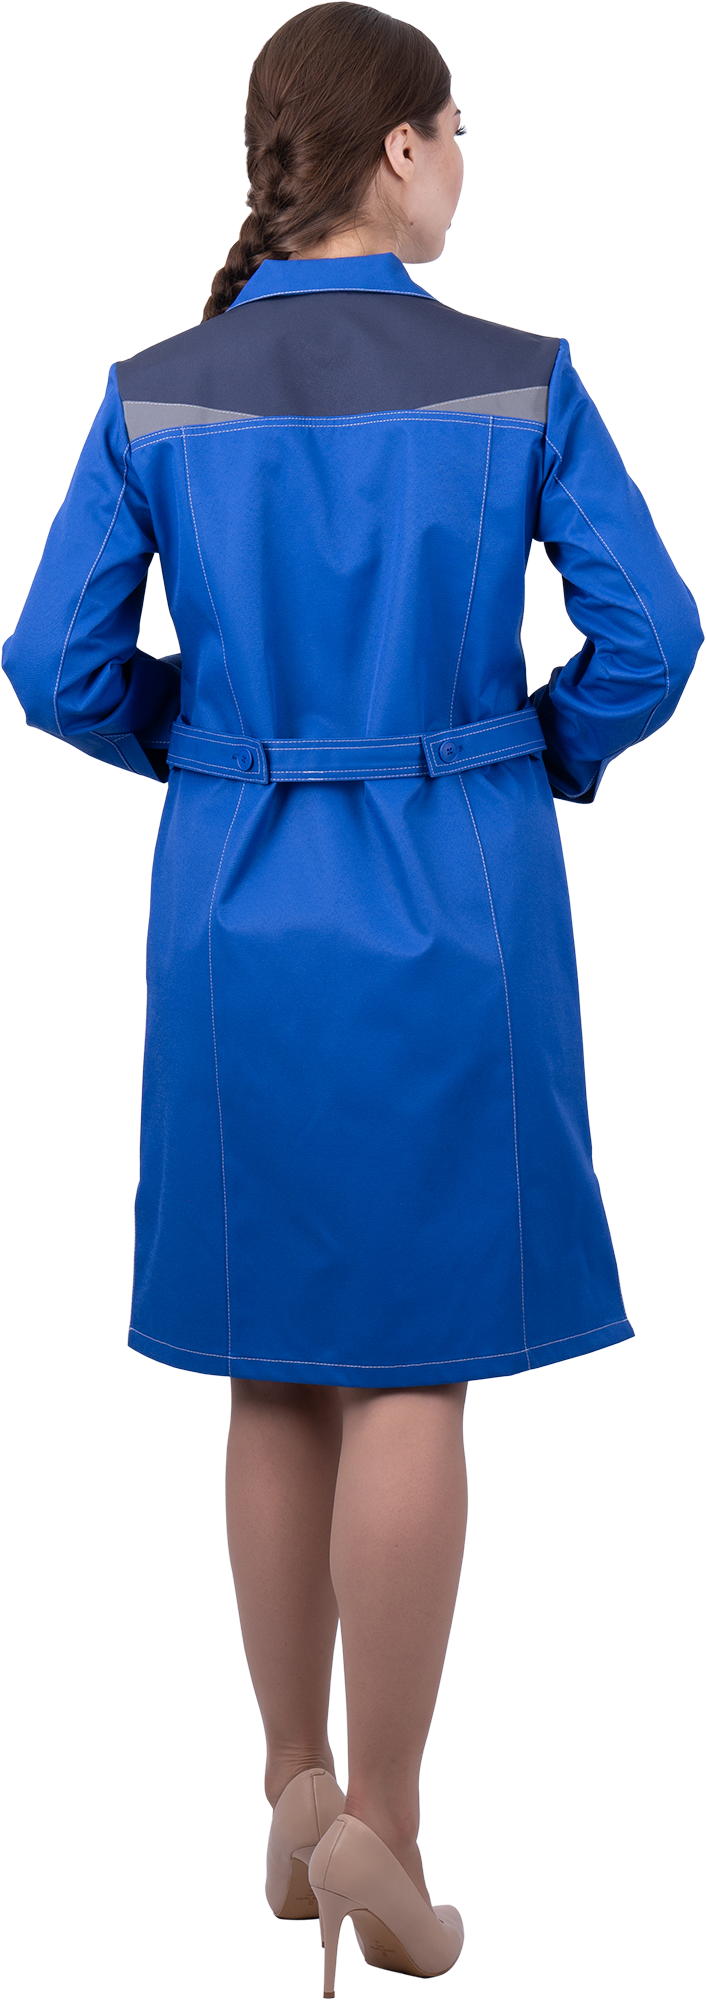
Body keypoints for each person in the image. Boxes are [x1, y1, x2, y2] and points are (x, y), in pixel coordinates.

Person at [3, 4, 703, 1994]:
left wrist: (211, 741)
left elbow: (54, 665)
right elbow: (651, 635)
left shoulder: (154, 393)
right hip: (453, 901)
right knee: (413, 1366)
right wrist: (537, 748)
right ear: (395, 151)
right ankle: (386, 1823)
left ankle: (292, 1784)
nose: (462, 167)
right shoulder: (516, 380)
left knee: (270, 1358)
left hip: (237, 909)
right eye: (453, 133)